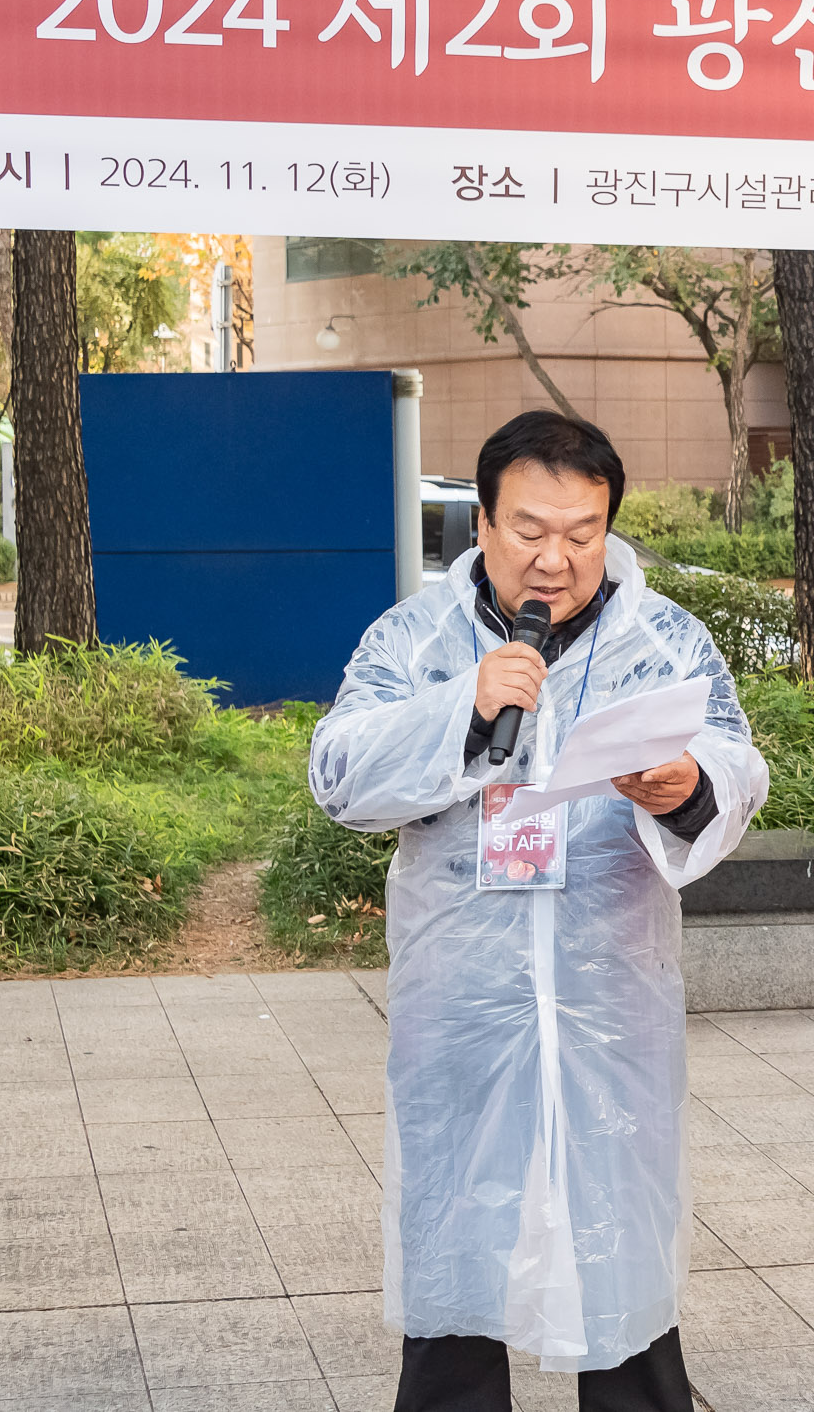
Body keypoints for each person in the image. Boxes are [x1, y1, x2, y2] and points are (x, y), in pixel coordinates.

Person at [311, 411, 772, 1412]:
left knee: (620, 1252)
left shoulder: (664, 639)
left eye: (581, 530)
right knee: (457, 1255)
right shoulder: (415, 637)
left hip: (611, 1008)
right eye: (529, 529)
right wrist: (461, 711)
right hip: (462, 1007)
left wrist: (687, 783)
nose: (554, 558)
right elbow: (339, 773)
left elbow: (740, 769)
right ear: (479, 522)